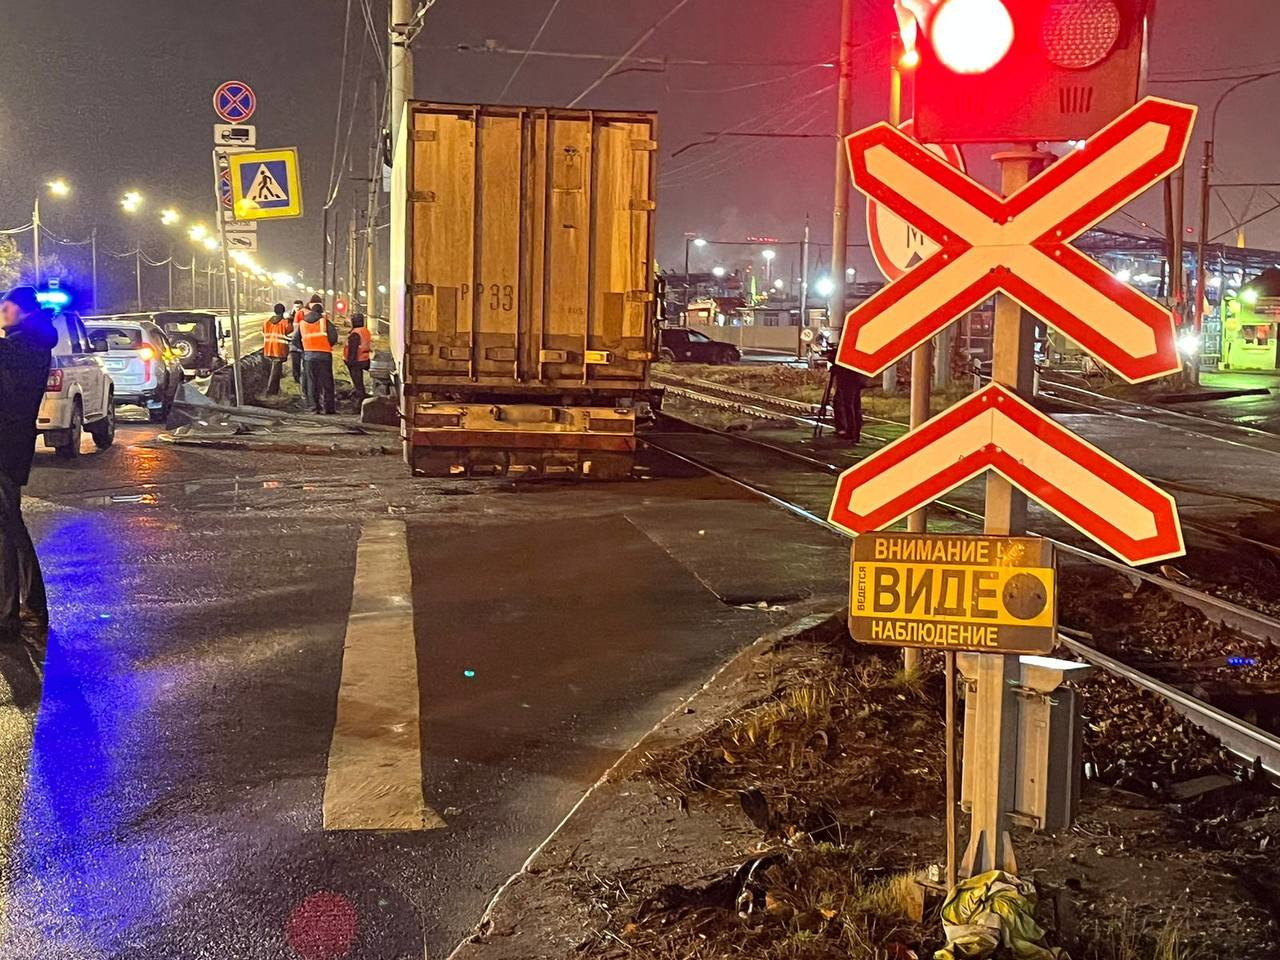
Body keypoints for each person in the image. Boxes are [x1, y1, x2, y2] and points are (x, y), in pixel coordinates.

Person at [0, 287, 58, 639]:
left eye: (5, 307)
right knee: (12, 527)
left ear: (21, 311)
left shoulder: (22, 348)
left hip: (5, 445)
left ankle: (8, 617)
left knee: (5, 530)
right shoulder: (28, 343)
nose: (1, 312)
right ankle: (32, 604)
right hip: (12, 445)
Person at [293, 300, 338, 414]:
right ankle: (329, 408)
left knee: (312, 382)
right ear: (321, 311)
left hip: (309, 357)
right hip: (324, 356)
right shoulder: (325, 322)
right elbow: (333, 337)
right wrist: (326, 345)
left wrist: (305, 349)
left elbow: (295, 340)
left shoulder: (303, 323)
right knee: (327, 382)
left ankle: (314, 407)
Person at [343, 313, 373, 406]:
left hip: (356, 361)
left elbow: (353, 350)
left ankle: (360, 403)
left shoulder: (355, 333)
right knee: (359, 383)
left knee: (358, 384)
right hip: (364, 358)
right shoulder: (365, 330)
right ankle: (361, 399)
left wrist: (349, 362)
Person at [833, 364, 866, 444]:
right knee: (854, 405)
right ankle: (854, 432)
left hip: (848, 376)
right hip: (856, 376)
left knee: (849, 405)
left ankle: (851, 432)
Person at [262, 304, 291, 395]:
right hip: (279, 350)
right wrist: (290, 321)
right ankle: (271, 392)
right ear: (283, 312)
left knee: (275, 371)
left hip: (268, 349)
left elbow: (263, 332)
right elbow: (290, 333)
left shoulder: (266, 322)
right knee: (275, 372)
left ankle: (275, 390)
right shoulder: (285, 323)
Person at [288, 300, 306, 385]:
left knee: (305, 363)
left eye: (299, 307)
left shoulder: (305, 316)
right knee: (295, 364)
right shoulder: (290, 318)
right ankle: (297, 380)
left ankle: (305, 379)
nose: (298, 309)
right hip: (294, 345)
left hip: (304, 343)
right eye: (296, 307)